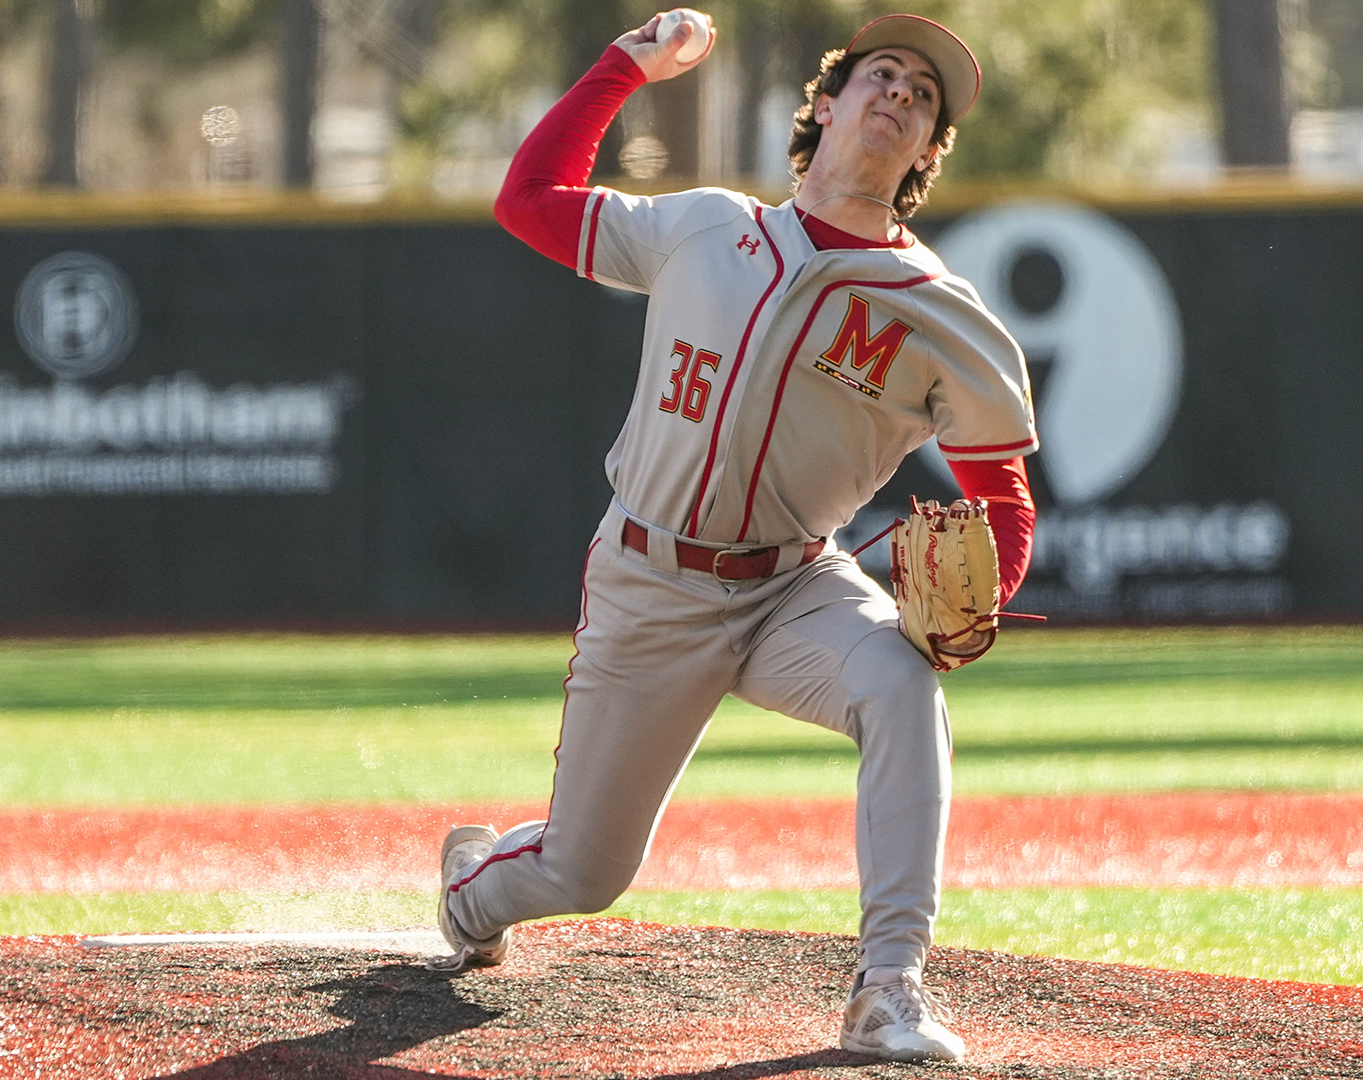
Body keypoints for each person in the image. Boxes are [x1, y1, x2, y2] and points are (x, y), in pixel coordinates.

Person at [428, 11, 1039, 1065]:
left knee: (902, 691)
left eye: (923, 96)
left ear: (928, 150)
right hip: (651, 580)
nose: (899, 94)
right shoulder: (705, 227)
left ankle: (888, 988)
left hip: (796, 585)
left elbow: (1004, 493)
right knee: (584, 873)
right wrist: (625, 70)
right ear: (826, 107)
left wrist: (985, 600)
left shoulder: (940, 311)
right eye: (881, 75)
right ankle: (471, 890)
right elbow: (528, 203)